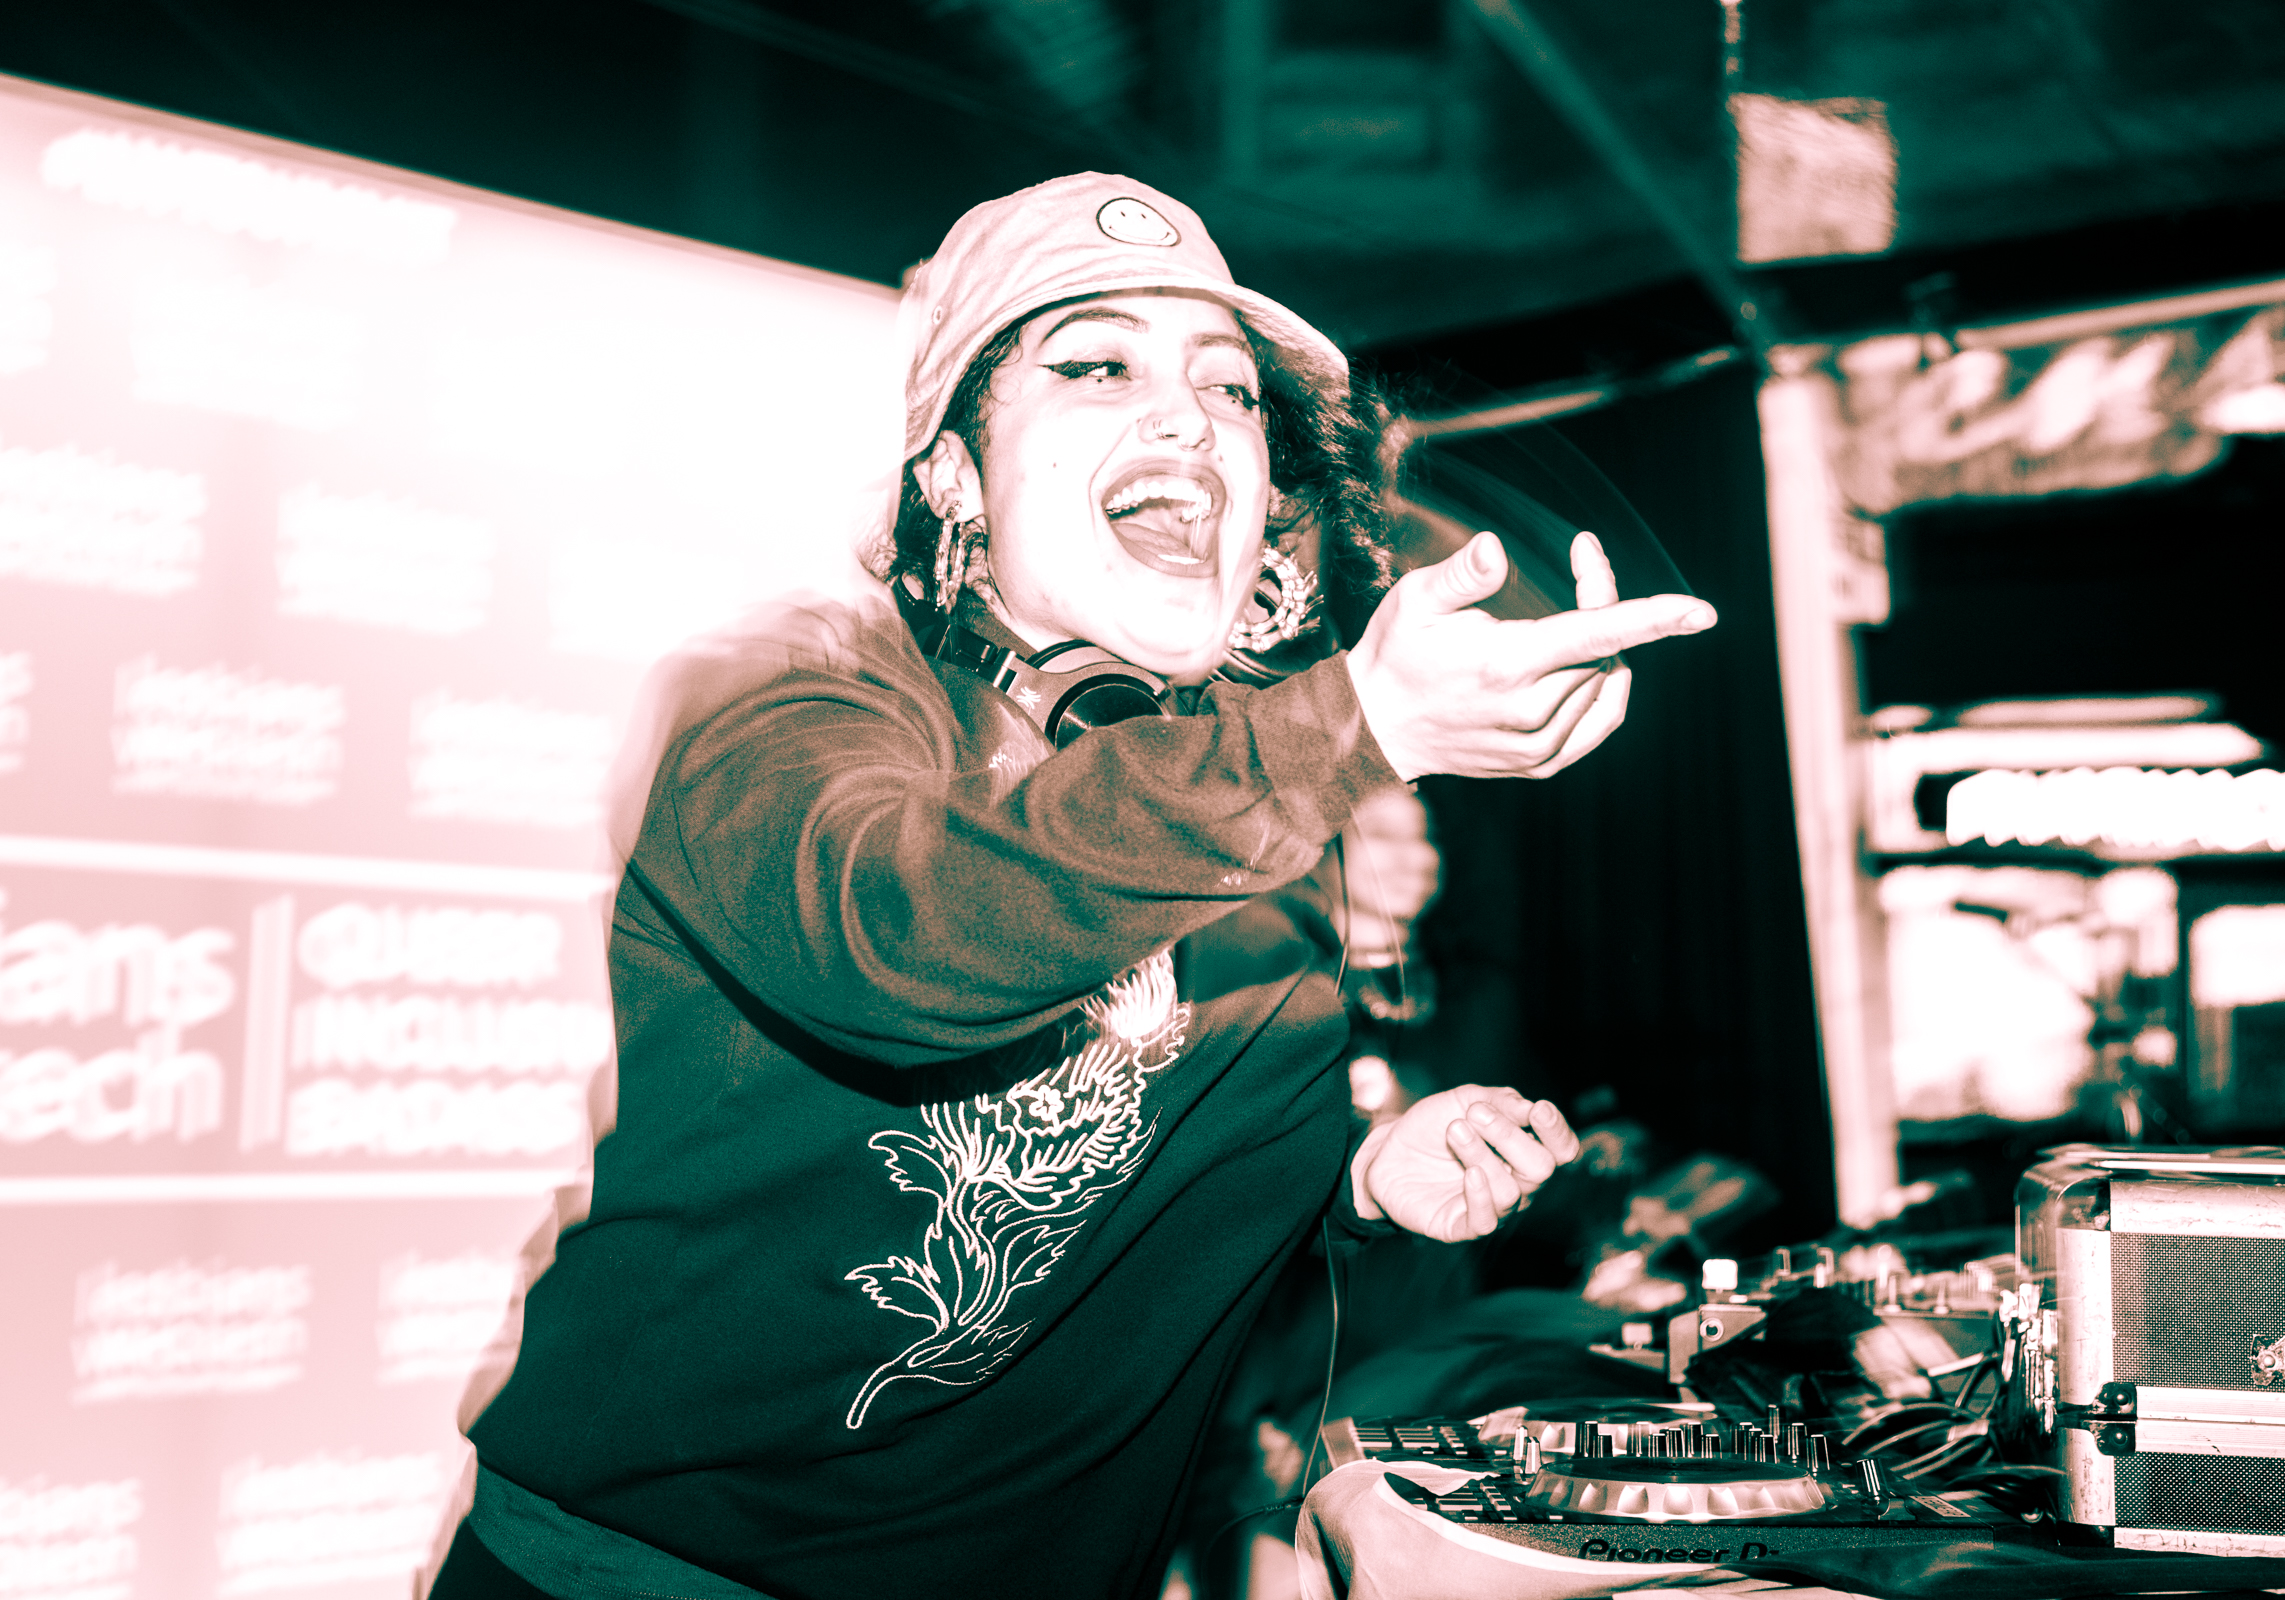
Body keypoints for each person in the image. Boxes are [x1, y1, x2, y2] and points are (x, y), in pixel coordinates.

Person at [427, 172, 1715, 1600]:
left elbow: (1133, 1151)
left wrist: (1357, 1178)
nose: (1189, 419)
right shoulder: (794, 700)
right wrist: (1354, 727)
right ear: (952, 477)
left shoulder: (1250, 798)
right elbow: (900, 938)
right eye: (1097, 366)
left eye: (1230, 391)